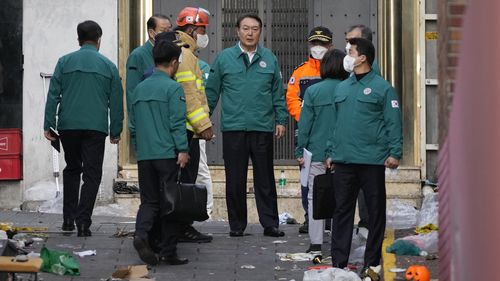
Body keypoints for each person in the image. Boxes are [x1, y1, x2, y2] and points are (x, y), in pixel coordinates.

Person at [205, 14, 288, 237]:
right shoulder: (224, 58)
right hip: (234, 128)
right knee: (235, 178)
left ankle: (270, 224)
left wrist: (281, 120)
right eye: (245, 28)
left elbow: (277, 93)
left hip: (261, 127)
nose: (250, 33)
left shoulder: (269, 58)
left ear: (260, 32)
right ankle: (237, 225)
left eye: (254, 29)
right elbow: (211, 93)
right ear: (237, 31)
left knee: (265, 178)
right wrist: (203, 123)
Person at [326, 37, 402, 279]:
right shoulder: (342, 87)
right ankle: (339, 263)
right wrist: (330, 151)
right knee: (341, 212)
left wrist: (395, 152)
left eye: (351, 51)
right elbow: (335, 124)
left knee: (374, 212)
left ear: (362, 58)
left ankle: (372, 264)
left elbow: (393, 122)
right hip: (344, 160)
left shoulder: (382, 87)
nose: (346, 54)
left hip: (371, 160)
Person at [43, 20, 123, 237]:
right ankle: (84, 223)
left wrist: (48, 124)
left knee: (72, 169)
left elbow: (53, 95)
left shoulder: (64, 62)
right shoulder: (109, 66)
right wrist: (116, 130)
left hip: (68, 126)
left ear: (79, 39)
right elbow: (116, 101)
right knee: (92, 174)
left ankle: (68, 220)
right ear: (99, 40)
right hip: (96, 128)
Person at [129, 40, 189, 266]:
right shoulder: (173, 88)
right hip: (166, 154)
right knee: (170, 203)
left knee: (149, 201)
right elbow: (177, 123)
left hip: (145, 156)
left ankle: (141, 235)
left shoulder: (140, 89)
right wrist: (183, 149)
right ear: (174, 63)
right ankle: (168, 251)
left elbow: (133, 126)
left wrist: (139, 147)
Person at [296, 49, 349, 254]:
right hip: (343, 154)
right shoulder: (348, 90)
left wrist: (300, 150)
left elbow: (305, 125)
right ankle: (339, 241)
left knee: (313, 198)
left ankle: (316, 243)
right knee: (342, 199)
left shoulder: (313, 91)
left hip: (315, 153)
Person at [172, 7, 214, 243]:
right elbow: (190, 96)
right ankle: (182, 228)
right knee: (186, 182)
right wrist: (203, 125)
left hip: (184, 128)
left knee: (183, 180)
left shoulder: (184, 52)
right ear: (191, 29)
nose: (204, 34)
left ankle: (179, 227)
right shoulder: (186, 56)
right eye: (202, 29)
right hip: (187, 130)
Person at [286, 26, 333, 234]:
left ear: (330, 45)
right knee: (307, 176)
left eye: (322, 44)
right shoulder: (300, 72)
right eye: (315, 43)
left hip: (330, 130)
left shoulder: (338, 69)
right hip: (306, 131)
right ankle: (310, 217)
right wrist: (305, 118)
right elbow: (291, 98)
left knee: (332, 176)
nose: (318, 48)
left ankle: (330, 219)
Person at [344, 24, 380, 232]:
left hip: (366, 142)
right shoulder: (350, 73)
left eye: (353, 42)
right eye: (348, 41)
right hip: (350, 142)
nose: (348, 46)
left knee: (367, 189)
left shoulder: (373, 75)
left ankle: (368, 223)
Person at [126, 14, 172, 110]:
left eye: (169, 31)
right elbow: (132, 92)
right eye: (163, 31)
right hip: (147, 112)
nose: (167, 35)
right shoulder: (138, 56)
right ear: (151, 33)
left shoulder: (171, 54)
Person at [196, 58, 214, 216]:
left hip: (196, 125)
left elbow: (204, 96)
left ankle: (207, 210)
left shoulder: (202, 66)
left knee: (201, 168)